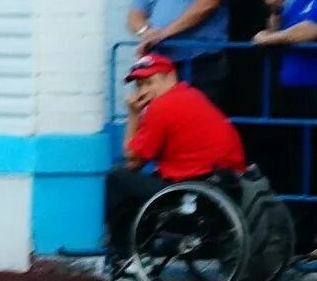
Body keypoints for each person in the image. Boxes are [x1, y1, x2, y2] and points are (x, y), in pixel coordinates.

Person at [106, 51, 247, 268]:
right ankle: (141, 246)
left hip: (193, 193)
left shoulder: (162, 106)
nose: (143, 91)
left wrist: (133, 113)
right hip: (223, 185)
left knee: (118, 178)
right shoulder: (192, 95)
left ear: (170, 77)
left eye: (149, 82)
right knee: (145, 181)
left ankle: (125, 258)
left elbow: (133, 161)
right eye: (139, 85)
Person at [251, 0, 317, 119]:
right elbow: (281, 28)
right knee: (296, 145)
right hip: (295, 84)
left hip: (312, 83)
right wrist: (275, 9)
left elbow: (310, 30)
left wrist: (270, 38)